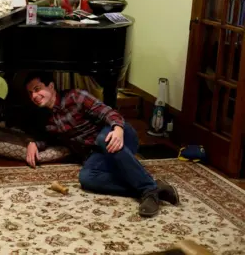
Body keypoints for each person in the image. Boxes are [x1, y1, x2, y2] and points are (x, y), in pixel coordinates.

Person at [23, 72, 179, 217]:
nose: (34, 96)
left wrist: (117, 128)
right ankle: (154, 188)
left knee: (103, 139)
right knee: (86, 178)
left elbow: (109, 113)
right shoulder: (45, 118)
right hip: (97, 154)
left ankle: (148, 188)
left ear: (51, 86)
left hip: (119, 135)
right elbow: (49, 138)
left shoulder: (76, 96)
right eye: (30, 93)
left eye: (37, 89)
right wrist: (34, 143)